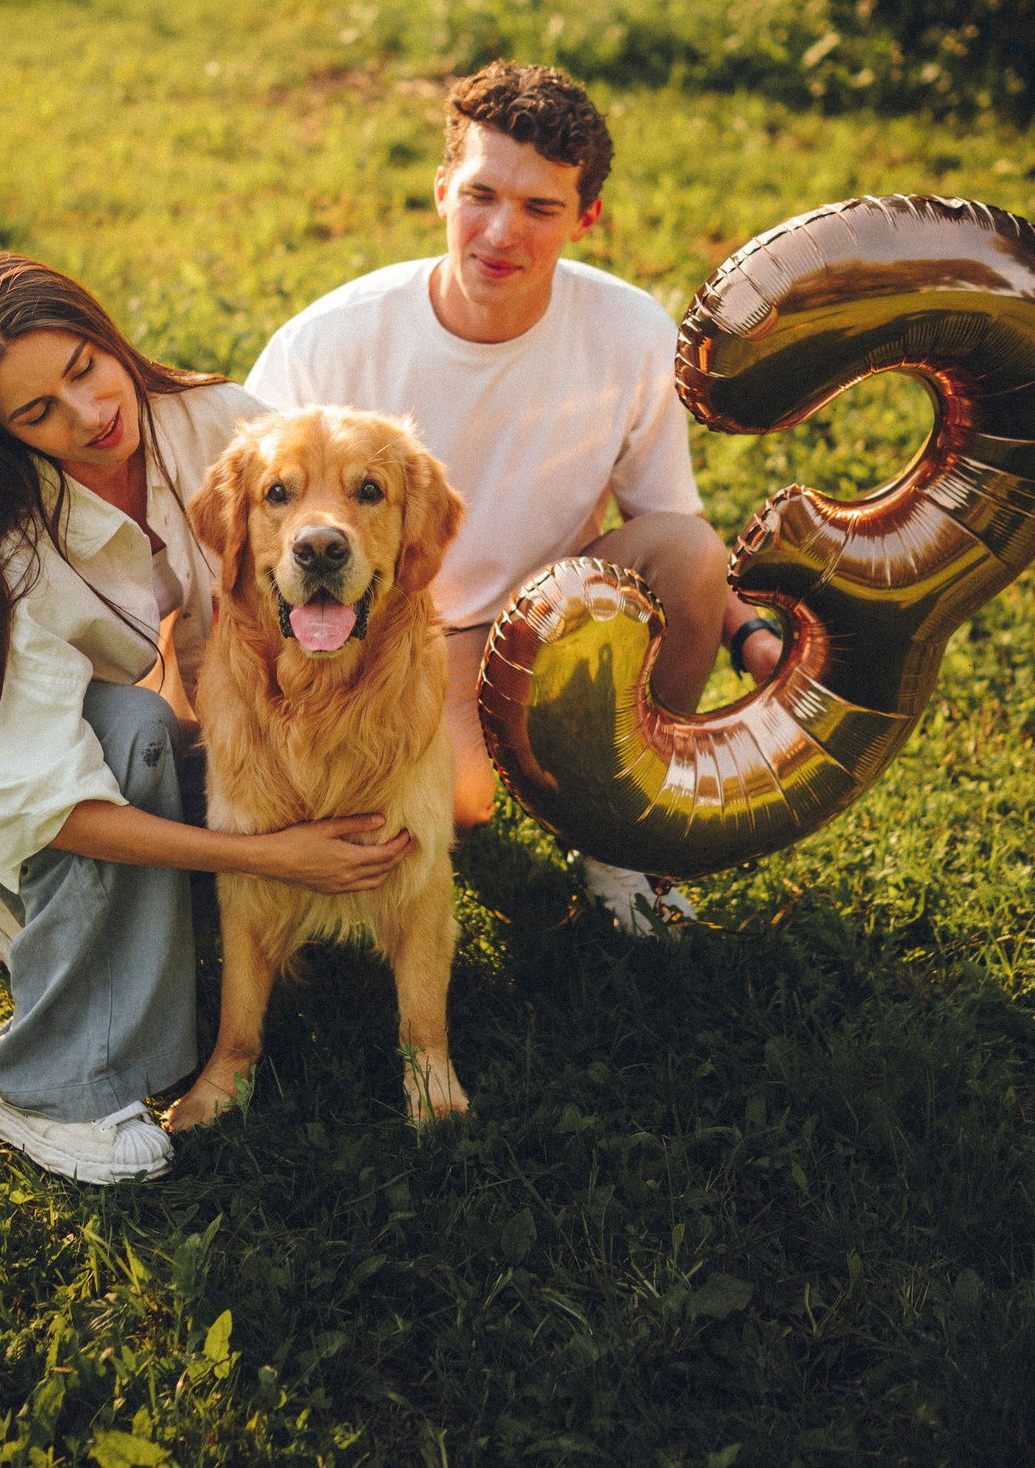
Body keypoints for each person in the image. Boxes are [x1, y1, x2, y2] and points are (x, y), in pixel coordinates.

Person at [0, 253, 413, 1185]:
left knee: (153, 743)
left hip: (64, 730)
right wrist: (270, 857)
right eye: (38, 412)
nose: (89, 414)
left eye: (84, 366)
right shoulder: (3, 546)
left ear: (104, 332)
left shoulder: (213, 420)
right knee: (132, 745)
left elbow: (250, 610)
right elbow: (59, 800)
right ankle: (49, 1088)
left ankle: (15, 895)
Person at [245, 62, 784, 936]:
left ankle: (621, 839)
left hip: (549, 622)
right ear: (442, 191)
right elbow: (246, 534)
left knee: (686, 548)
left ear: (587, 217)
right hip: (389, 636)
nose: (502, 232)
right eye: (481, 194)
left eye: (541, 208)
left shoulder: (631, 330)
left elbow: (669, 530)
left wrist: (749, 633)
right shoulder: (331, 342)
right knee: (459, 804)